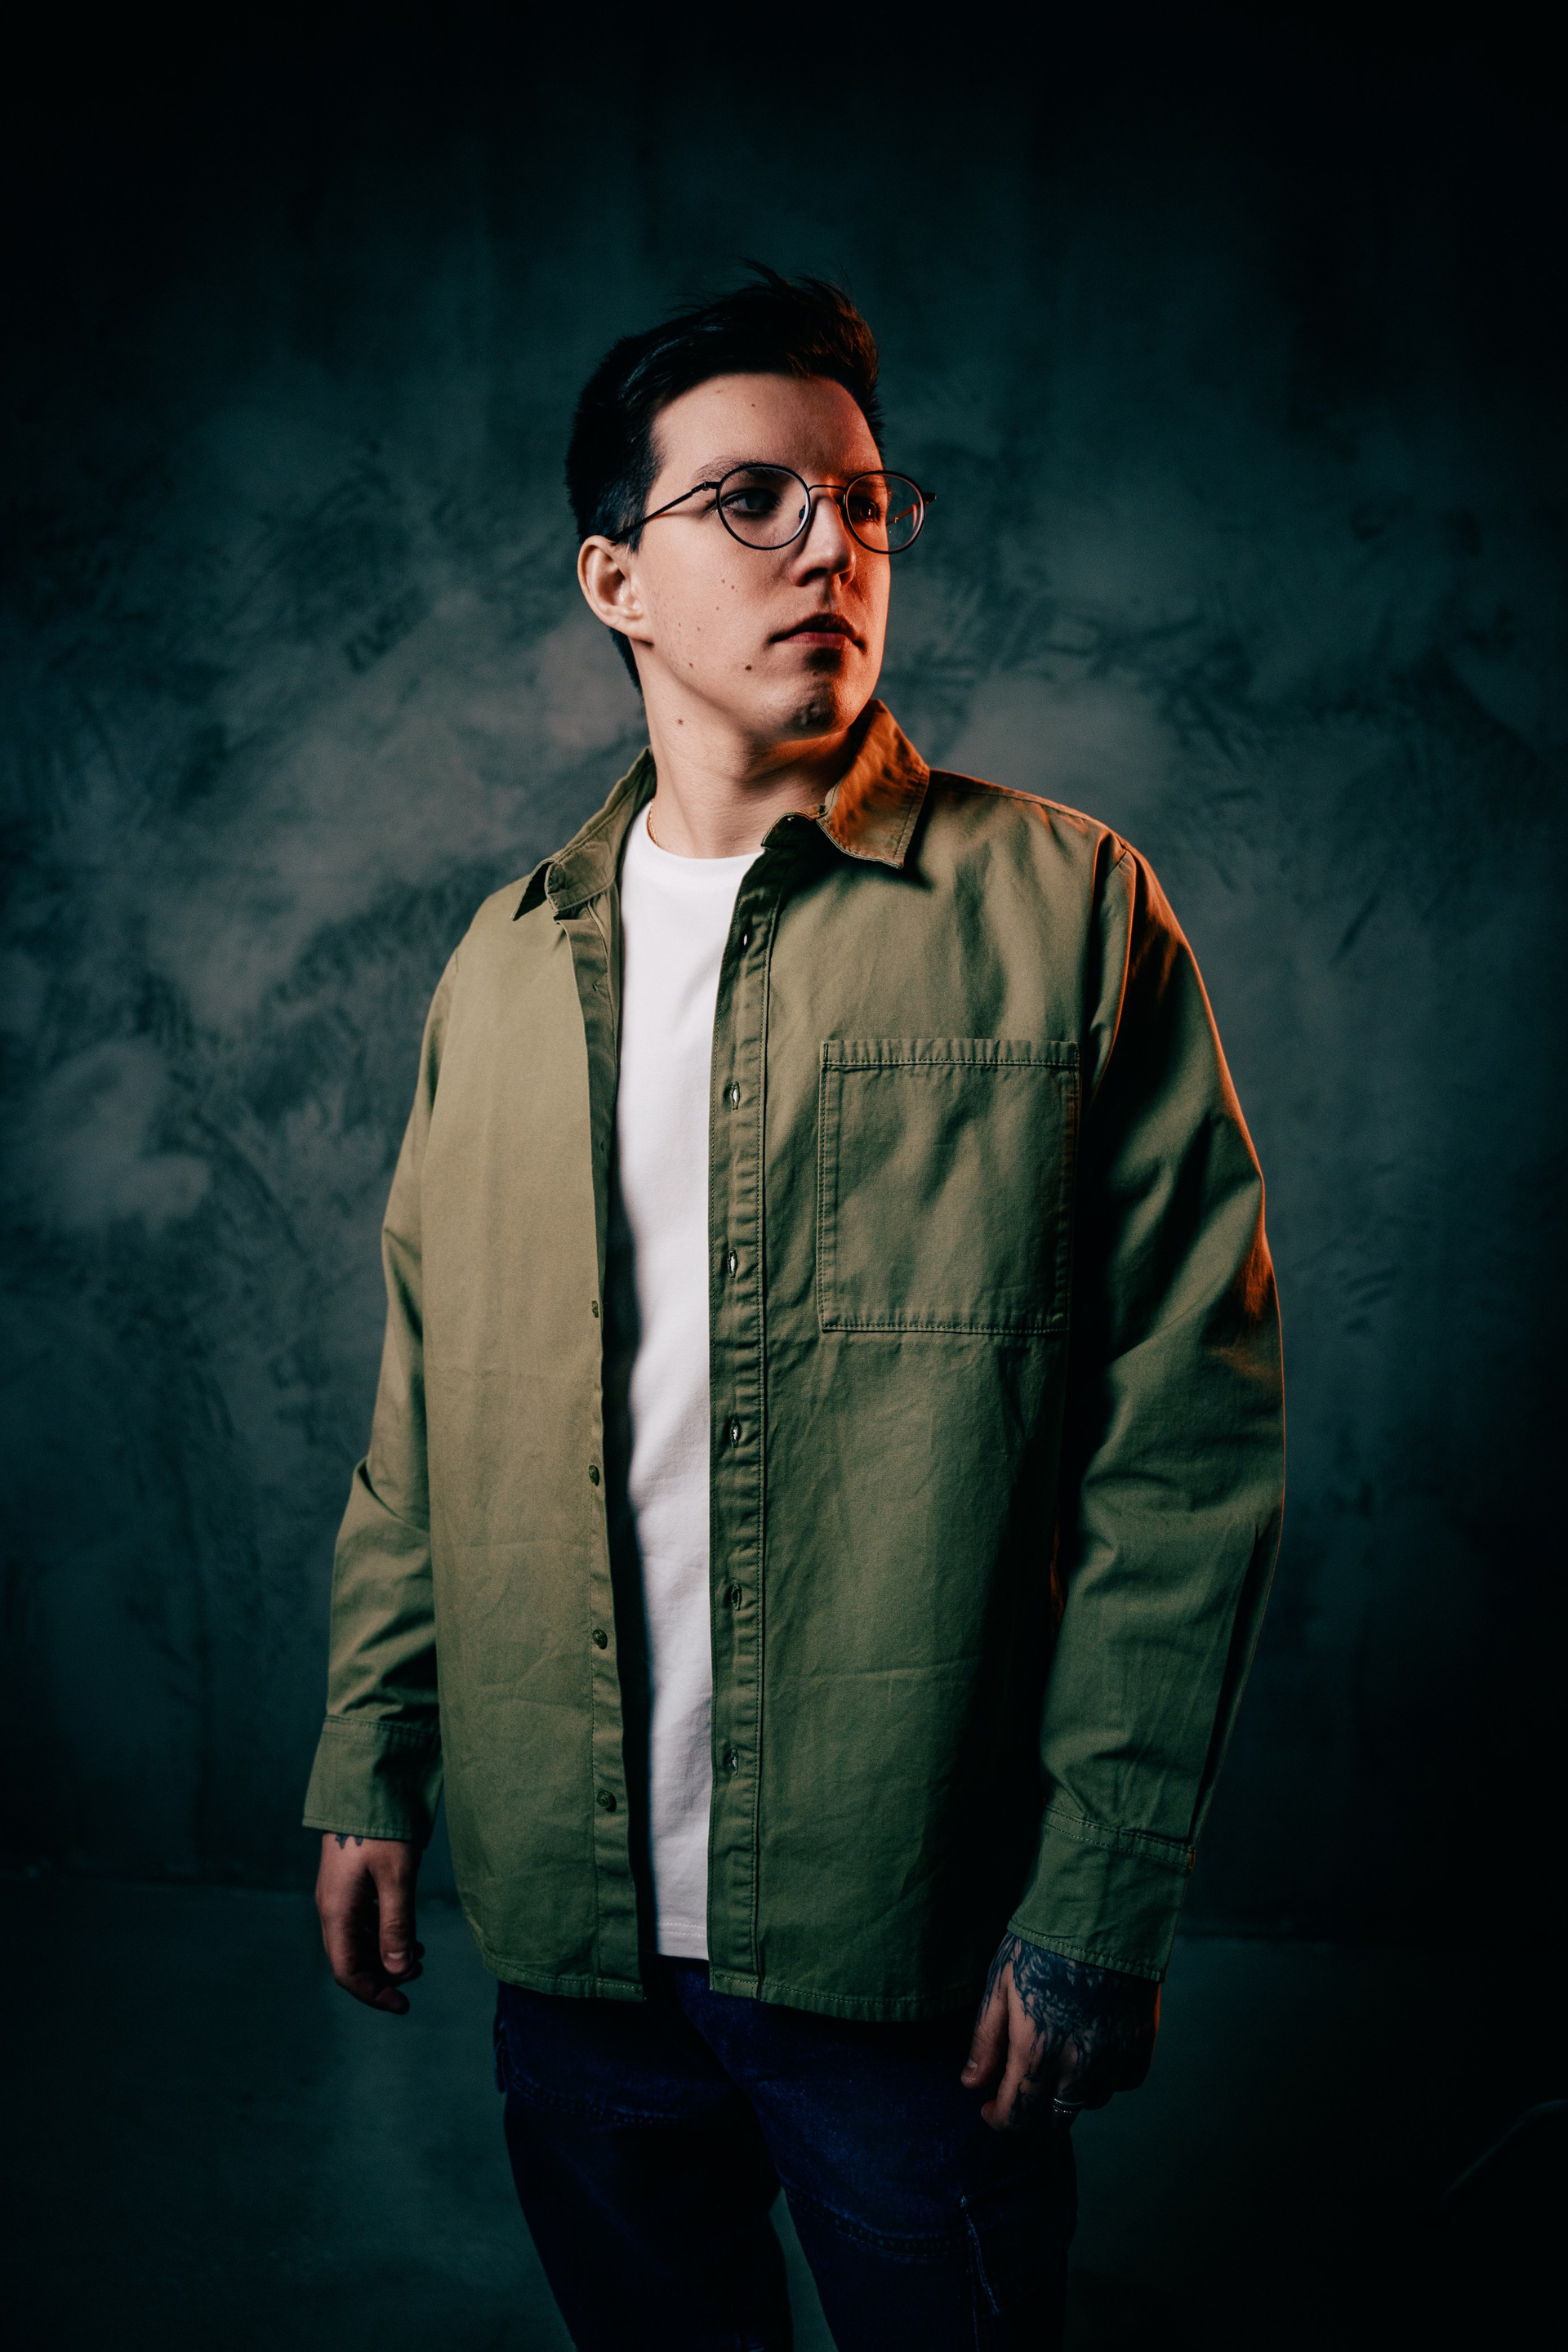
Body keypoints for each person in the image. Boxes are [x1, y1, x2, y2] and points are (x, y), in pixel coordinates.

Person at [306, 267, 1285, 2351]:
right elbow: (426, 1406)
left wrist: (1098, 1898)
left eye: (863, 501)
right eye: (750, 499)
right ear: (615, 581)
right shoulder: (501, 967)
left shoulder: (1068, 913)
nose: (830, 544)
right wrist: (365, 1759)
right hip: (571, 1937)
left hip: (907, 1947)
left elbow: (1185, 1453)